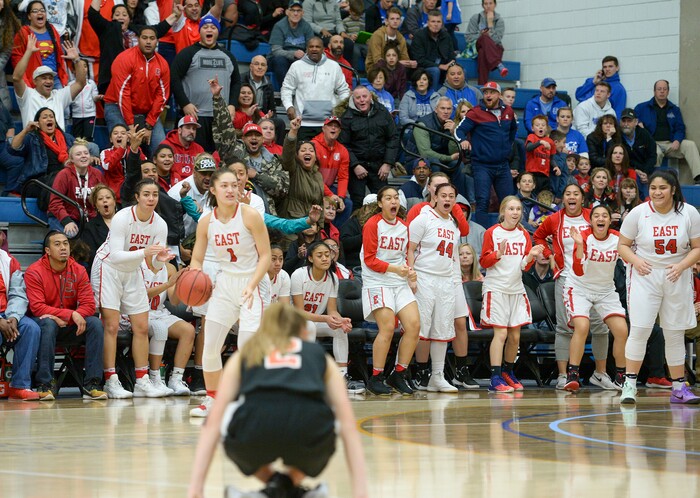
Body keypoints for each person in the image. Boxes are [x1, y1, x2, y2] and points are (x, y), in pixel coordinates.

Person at [187, 302, 368, 498]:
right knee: (331, 416)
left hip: (255, 432)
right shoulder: (320, 357)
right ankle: (290, 488)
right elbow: (348, 426)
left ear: (263, 330)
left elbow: (212, 424)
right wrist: (361, 492)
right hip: (307, 432)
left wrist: (196, 488)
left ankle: (273, 488)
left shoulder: (245, 355)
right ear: (303, 331)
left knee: (224, 414)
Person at [188, 169, 271, 417]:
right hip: (224, 283)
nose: (231, 190)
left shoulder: (250, 215)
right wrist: (194, 277)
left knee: (247, 348)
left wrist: (252, 284)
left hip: (252, 282)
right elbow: (196, 258)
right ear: (212, 190)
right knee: (210, 346)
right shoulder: (206, 221)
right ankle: (214, 400)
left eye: (235, 185)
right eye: (224, 185)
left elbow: (266, 256)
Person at [618, 170, 700, 405]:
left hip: (677, 276)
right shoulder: (639, 213)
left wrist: (683, 265)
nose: (657, 192)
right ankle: (630, 385)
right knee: (641, 330)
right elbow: (622, 245)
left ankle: (678, 388)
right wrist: (636, 261)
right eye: (653, 188)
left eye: (662, 188)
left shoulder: (689, 213)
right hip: (645, 276)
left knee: (674, 333)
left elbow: (697, 247)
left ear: (673, 190)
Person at [92, 178, 174, 399]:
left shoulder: (160, 224)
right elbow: (116, 255)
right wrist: (146, 252)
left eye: (155, 194)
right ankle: (111, 380)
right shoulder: (122, 218)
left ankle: (141, 380)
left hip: (133, 269)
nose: (151, 198)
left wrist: (161, 260)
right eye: (146, 194)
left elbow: (153, 266)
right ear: (137, 197)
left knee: (141, 325)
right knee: (111, 325)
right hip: (108, 267)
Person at [533, 183, 615, 390]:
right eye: (568, 194)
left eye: (576, 194)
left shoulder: (592, 216)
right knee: (564, 328)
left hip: (593, 279)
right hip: (567, 278)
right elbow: (538, 236)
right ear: (563, 198)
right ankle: (563, 376)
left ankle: (600, 373)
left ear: (582, 198)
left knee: (601, 327)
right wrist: (549, 254)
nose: (571, 197)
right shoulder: (554, 219)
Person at [25, 231, 106, 401]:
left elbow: (89, 305)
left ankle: (93, 384)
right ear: (47, 250)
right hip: (43, 324)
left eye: (66, 244)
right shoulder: (34, 271)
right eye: (57, 244)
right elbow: (38, 307)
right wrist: (72, 314)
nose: (63, 248)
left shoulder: (79, 270)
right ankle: (45, 384)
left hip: (68, 325)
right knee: (48, 323)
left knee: (95, 324)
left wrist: (72, 317)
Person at [361, 186, 420, 395]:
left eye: (396, 197)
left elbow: (404, 256)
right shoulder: (372, 224)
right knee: (386, 327)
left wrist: (410, 273)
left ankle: (399, 373)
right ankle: (375, 378)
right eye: (388, 198)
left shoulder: (404, 226)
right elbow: (369, 260)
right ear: (380, 203)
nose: (393, 201)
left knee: (414, 326)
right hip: (377, 280)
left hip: (398, 280)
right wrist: (397, 270)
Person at [480, 196, 543, 392]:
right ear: (503, 211)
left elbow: (524, 267)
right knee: (501, 334)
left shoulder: (524, 234)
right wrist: (496, 255)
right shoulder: (492, 232)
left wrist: (531, 256)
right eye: (511, 209)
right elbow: (483, 262)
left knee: (515, 337)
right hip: (496, 288)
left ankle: (508, 371)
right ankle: (495, 376)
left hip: (516, 289)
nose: (515, 212)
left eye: (518, 209)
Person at [563, 205, 627, 392]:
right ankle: (572, 374)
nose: (600, 219)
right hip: (579, 288)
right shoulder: (583, 236)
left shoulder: (618, 239)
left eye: (604, 216)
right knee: (582, 326)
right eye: (596, 216)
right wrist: (581, 246)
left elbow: (629, 261)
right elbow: (577, 269)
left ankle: (621, 377)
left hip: (605, 290)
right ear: (591, 221)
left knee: (622, 330)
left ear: (609, 220)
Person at [407, 182, 460, 393]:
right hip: (424, 278)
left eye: (451, 196)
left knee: (442, 329)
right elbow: (409, 249)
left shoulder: (454, 224)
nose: (447, 199)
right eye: (444, 195)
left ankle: (437, 376)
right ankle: (409, 373)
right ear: (435, 197)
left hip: (446, 280)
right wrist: (411, 277)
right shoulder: (423, 218)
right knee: (421, 329)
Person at [211, 77, 289, 214]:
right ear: (243, 138)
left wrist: (256, 175)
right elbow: (225, 127)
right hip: (232, 210)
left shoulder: (273, 160)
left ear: (262, 139)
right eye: (249, 135)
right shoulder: (234, 152)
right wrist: (217, 99)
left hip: (265, 215)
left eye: (257, 135)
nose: (253, 138)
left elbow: (282, 189)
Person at [291, 241, 361, 392]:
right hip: (293, 324)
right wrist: (326, 319)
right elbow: (299, 312)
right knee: (308, 326)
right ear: (310, 258)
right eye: (320, 255)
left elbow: (332, 310)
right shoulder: (299, 275)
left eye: (327, 255)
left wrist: (340, 320)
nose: (325, 259)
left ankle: (342, 376)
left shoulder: (333, 278)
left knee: (340, 329)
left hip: (314, 321)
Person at [170, 14, 240, 153]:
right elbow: (174, 78)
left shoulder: (228, 56)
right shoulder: (188, 53)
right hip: (196, 117)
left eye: (213, 27)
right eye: (205, 27)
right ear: (200, 31)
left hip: (220, 116)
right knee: (196, 157)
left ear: (218, 31)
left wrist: (232, 104)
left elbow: (236, 82)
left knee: (219, 158)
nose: (209, 30)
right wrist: (185, 104)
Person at [454, 81, 517, 227]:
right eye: (486, 92)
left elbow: (513, 131)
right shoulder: (475, 112)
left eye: (492, 92)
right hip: (482, 165)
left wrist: (508, 146)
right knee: (482, 201)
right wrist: (463, 140)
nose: (488, 95)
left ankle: (507, 235)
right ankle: (483, 237)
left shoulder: (508, 111)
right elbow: (459, 130)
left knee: (508, 201)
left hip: (502, 165)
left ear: (499, 95)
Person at [87, 0, 181, 95]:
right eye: (117, 14)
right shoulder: (107, 29)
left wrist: (175, 15)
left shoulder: (137, 30)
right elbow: (93, 15)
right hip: (113, 84)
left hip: (138, 83)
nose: (121, 17)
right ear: (112, 18)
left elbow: (158, 29)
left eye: (124, 15)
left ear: (129, 19)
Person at [103, 26, 170, 155]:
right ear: (138, 39)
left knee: (161, 150)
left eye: (152, 38)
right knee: (121, 145)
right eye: (144, 38)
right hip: (117, 107)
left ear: (157, 41)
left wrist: (149, 125)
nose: (148, 42)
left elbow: (161, 96)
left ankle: (153, 174)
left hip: (147, 112)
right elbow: (123, 94)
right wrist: (130, 125)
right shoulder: (124, 59)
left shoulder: (162, 64)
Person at [337, 85, 399, 210]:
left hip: (379, 166)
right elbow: (343, 144)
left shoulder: (382, 112)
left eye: (364, 96)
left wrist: (388, 163)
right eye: (358, 97)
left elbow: (393, 137)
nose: (362, 100)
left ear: (370, 97)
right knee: (357, 204)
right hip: (357, 168)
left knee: (384, 201)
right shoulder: (346, 117)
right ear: (353, 100)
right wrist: (355, 165)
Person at [138, 260, 195, 396]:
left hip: (160, 312)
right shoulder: (138, 264)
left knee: (188, 330)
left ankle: (176, 379)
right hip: (139, 312)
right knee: (160, 328)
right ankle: (155, 378)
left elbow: (174, 301)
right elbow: (139, 295)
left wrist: (180, 283)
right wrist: (168, 284)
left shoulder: (169, 268)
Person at [281, 37, 350, 140]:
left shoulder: (334, 66)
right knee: (304, 155)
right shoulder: (296, 66)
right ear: (306, 49)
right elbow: (286, 89)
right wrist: (289, 106)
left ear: (323, 49)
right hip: (303, 123)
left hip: (328, 123)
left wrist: (340, 110)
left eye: (317, 46)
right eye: (311, 46)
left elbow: (344, 90)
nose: (314, 49)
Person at [634, 79, 700, 185]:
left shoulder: (674, 109)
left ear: (668, 92)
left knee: (690, 145)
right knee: (656, 153)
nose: (662, 91)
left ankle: (698, 177)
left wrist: (677, 140)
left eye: (665, 89)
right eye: (659, 89)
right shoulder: (642, 107)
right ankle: (654, 182)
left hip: (670, 144)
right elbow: (633, 118)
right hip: (652, 143)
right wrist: (639, 123)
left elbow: (680, 127)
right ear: (654, 91)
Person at [12, 35, 85, 129]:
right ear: (35, 81)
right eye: (44, 78)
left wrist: (77, 59)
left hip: (57, 142)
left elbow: (80, 83)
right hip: (35, 142)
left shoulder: (59, 96)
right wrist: (28, 52)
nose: (49, 81)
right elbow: (16, 78)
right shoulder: (28, 95)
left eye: (51, 78)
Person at [0, 246, 41, 401]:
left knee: (31, 328)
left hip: (8, 313)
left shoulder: (10, 261)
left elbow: (18, 293)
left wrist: (14, 318)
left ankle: (20, 385)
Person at [8, 107, 76, 199]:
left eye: (51, 117)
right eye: (44, 117)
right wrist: (25, 130)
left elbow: (80, 152)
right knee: (59, 181)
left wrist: (93, 156)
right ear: (38, 123)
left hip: (63, 179)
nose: (49, 119)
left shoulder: (68, 138)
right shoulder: (32, 138)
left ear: (55, 123)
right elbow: (13, 148)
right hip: (37, 183)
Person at [414, 96, 473, 202]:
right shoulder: (423, 124)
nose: (446, 111)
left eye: (449, 109)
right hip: (417, 160)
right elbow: (425, 153)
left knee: (459, 164)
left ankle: (460, 201)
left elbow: (454, 152)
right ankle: (436, 199)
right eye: (442, 108)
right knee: (435, 162)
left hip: (442, 159)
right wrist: (449, 157)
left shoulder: (451, 124)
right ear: (436, 109)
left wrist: (452, 134)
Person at [48, 139, 105, 237]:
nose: (83, 156)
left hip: (88, 218)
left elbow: (103, 196)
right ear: (72, 160)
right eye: (78, 154)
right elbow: (55, 203)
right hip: (63, 217)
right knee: (73, 236)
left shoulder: (97, 174)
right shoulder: (64, 174)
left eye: (86, 153)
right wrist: (67, 221)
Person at [11, 1, 70, 89]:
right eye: (35, 11)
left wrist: (64, 79)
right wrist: (26, 86)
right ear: (29, 16)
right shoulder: (23, 33)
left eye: (42, 10)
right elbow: (17, 60)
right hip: (35, 82)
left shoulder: (52, 30)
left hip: (54, 79)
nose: (40, 13)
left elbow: (59, 60)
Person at [312, 115, 352, 226]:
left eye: (336, 126)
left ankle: (335, 235)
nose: (333, 128)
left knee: (347, 204)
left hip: (329, 187)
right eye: (330, 126)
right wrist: (331, 195)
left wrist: (340, 197)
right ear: (323, 128)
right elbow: (315, 176)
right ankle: (321, 231)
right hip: (314, 186)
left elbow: (343, 177)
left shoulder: (342, 150)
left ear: (339, 131)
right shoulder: (314, 146)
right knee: (324, 202)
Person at [168, 153, 217, 238]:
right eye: (204, 173)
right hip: (178, 241)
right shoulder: (176, 193)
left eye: (211, 174)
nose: (208, 178)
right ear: (194, 172)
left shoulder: (216, 190)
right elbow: (168, 225)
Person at [268, 0, 315, 87]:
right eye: (293, 10)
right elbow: (276, 51)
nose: (296, 13)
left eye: (298, 10)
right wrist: (293, 54)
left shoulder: (306, 26)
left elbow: (312, 47)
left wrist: (305, 55)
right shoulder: (279, 26)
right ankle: (287, 91)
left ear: (302, 13)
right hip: (281, 59)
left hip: (300, 59)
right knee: (280, 60)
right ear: (287, 12)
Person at [409, 11, 454, 92]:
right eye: (433, 21)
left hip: (443, 69)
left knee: (460, 70)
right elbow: (419, 60)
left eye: (438, 21)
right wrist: (440, 66)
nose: (436, 24)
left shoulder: (446, 36)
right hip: (423, 69)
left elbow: (452, 57)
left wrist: (452, 65)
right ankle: (433, 98)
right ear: (428, 22)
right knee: (435, 70)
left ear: (442, 24)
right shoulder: (419, 36)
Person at [465, 0, 507, 84]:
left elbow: (497, 39)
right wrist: (481, 35)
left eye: (490, 3)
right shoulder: (476, 18)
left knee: (482, 52)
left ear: (495, 5)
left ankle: (481, 85)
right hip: (477, 45)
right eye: (485, 4)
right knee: (484, 38)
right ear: (482, 5)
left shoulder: (499, 20)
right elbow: (468, 37)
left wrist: (490, 24)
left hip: (494, 48)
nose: (488, 6)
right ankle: (498, 64)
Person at [618, 108, 656, 197]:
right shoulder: (617, 137)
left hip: (644, 170)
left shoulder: (644, 134)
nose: (626, 124)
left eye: (629, 121)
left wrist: (645, 172)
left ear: (636, 122)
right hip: (625, 170)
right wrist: (634, 170)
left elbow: (652, 156)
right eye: (624, 121)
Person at [365, 7, 414, 73]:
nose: (395, 21)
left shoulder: (401, 38)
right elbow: (377, 61)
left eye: (397, 19)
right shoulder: (377, 35)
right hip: (375, 69)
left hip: (395, 69)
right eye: (392, 19)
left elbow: (405, 58)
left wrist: (410, 63)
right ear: (386, 21)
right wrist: (398, 63)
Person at [82, 184, 117, 267]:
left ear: (114, 201)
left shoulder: (127, 221)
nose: (105, 200)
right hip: (103, 269)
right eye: (100, 199)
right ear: (96, 205)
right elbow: (92, 256)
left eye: (108, 197)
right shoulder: (89, 227)